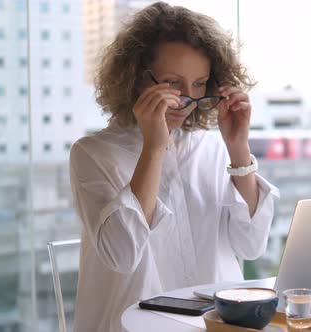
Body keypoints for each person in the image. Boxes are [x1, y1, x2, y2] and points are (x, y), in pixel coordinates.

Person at [69, 2, 279, 331]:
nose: (188, 99)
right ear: (136, 78)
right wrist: (155, 147)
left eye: (200, 84)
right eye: (173, 82)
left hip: (215, 324)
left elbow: (251, 245)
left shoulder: (212, 147)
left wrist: (238, 148)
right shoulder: (94, 154)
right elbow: (121, 254)